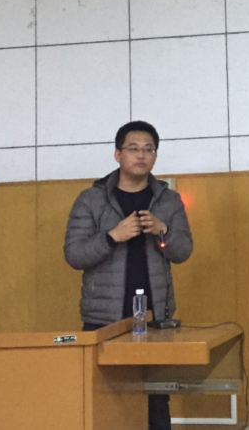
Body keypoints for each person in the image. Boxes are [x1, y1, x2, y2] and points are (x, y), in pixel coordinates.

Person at [64, 121, 193, 430]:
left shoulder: (168, 200)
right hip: (104, 318)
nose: (141, 155)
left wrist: (163, 231)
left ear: (155, 156)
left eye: (149, 149)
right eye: (133, 148)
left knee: (156, 397)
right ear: (117, 154)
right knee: (105, 398)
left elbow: (183, 251)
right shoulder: (91, 199)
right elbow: (74, 255)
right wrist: (112, 236)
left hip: (155, 317)